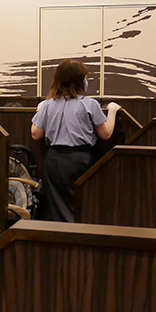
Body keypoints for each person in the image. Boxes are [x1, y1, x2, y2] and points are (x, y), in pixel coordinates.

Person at [30, 60, 120, 222]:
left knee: (56, 206)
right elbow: (106, 134)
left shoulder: (48, 104)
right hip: (80, 160)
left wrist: (41, 109)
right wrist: (112, 111)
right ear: (79, 81)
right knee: (81, 202)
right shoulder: (89, 104)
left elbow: (36, 134)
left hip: (54, 160)